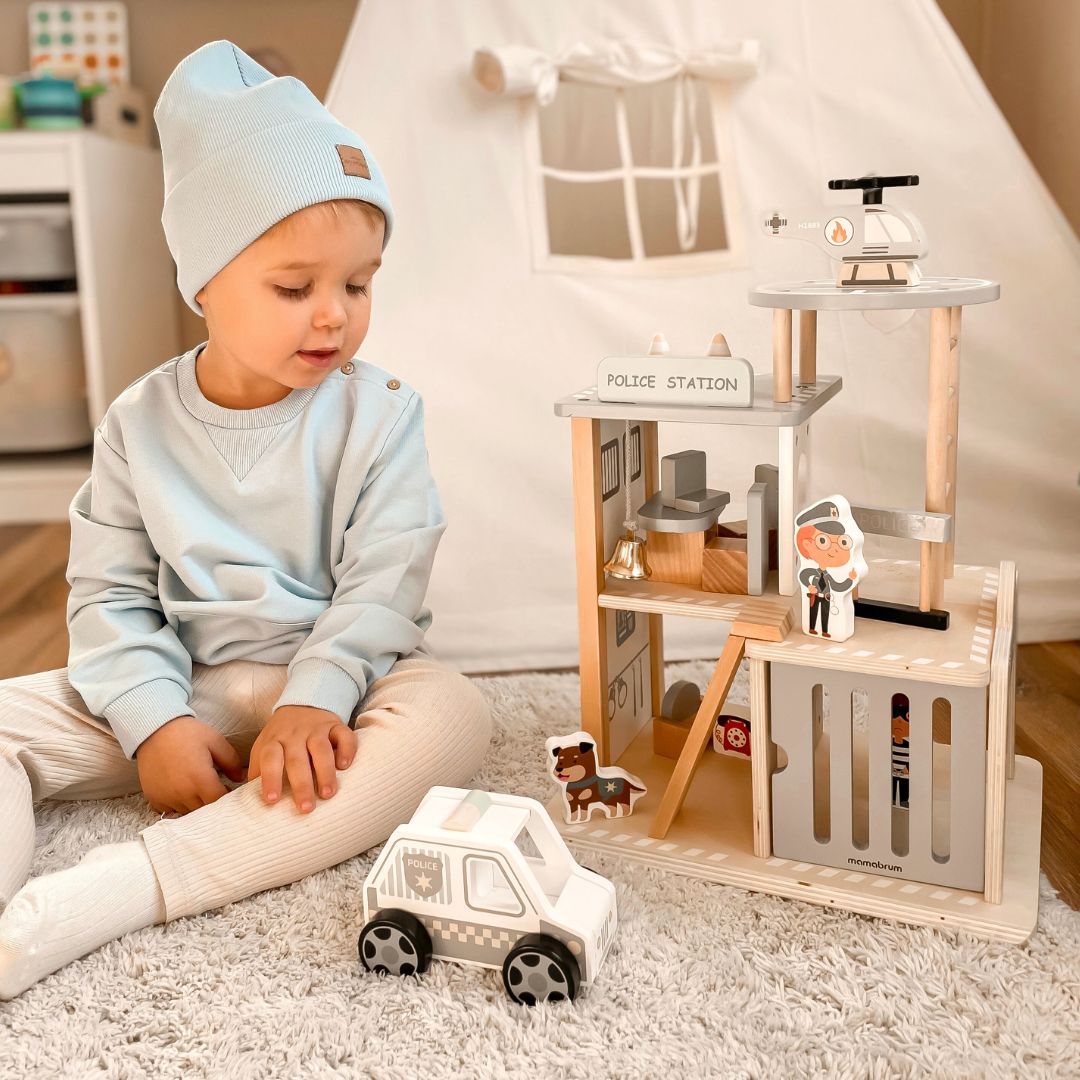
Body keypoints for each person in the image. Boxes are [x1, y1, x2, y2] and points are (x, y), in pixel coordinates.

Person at [0, 41, 491, 999]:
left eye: (359, 283)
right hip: (194, 683)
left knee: (453, 718)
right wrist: (151, 722)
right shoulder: (137, 426)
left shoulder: (382, 414)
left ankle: (121, 888)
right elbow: (106, 593)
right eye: (294, 286)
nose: (334, 318)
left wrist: (320, 694)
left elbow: (384, 580)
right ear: (206, 282)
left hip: (337, 686)